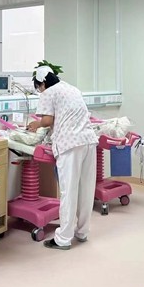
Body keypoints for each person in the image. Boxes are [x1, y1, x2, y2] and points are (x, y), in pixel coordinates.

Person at [27, 65, 98, 250]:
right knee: (86, 189)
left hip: (70, 144)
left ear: (42, 83)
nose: (39, 90)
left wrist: (35, 124)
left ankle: (63, 239)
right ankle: (82, 232)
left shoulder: (48, 92)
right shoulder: (71, 88)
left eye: (38, 87)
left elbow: (48, 120)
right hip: (88, 141)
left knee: (69, 191)